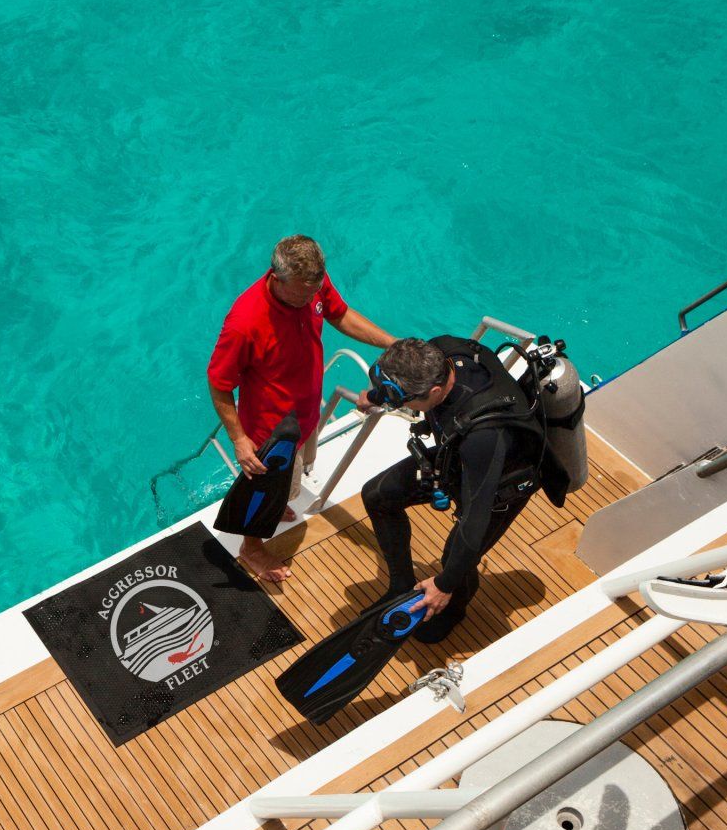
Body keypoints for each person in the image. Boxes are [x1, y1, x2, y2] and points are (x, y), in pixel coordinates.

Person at [208, 235, 393, 582]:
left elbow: (340, 315)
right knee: (265, 491)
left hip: (305, 416)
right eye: (302, 295)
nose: (312, 300)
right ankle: (251, 547)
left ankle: (278, 506)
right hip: (271, 433)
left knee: (290, 485)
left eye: (315, 292)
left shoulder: (311, 283)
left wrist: (392, 344)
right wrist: (239, 439)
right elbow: (218, 383)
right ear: (277, 280)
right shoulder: (245, 322)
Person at [358, 336, 552, 642]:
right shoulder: (442, 351)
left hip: (502, 483)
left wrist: (444, 585)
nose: (401, 407)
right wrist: (377, 395)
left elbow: (474, 522)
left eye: (403, 401)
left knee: (456, 557)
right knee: (378, 496)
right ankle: (400, 587)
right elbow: (403, 390)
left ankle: (452, 609)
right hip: (458, 458)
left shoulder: (483, 436)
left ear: (434, 392)